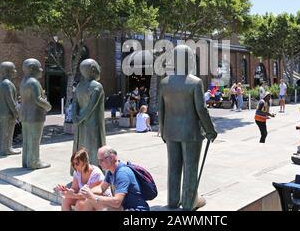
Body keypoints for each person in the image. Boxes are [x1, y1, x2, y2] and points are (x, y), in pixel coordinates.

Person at [158, 44, 217, 210]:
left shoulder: (164, 83)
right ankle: (190, 202)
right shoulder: (195, 82)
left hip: (170, 131)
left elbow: (160, 110)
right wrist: (210, 130)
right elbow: (201, 109)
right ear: (189, 60)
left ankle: (172, 200)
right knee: (190, 167)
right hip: (191, 132)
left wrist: (162, 131)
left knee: (173, 167)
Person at [78, 146, 150, 211]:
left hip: (136, 209)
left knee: (103, 208)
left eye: (101, 160)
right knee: (89, 201)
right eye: (98, 160)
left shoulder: (122, 173)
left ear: (112, 158)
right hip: (124, 207)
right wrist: (86, 192)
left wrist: (93, 197)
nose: (99, 163)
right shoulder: (111, 172)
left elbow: (117, 202)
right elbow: (101, 188)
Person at [71, 59, 107, 171]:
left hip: (80, 124)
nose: (100, 69)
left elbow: (74, 104)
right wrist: (80, 118)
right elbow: (91, 107)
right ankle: (94, 171)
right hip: (93, 124)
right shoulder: (97, 86)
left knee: (81, 146)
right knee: (93, 147)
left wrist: (75, 118)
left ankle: (79, 170)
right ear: (93, 69)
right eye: (98, 67)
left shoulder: (79, 86)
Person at [19, 58, 52, 170]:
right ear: (32, 68)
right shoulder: (33, 82)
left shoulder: (24, 81)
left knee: (27, 139)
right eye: (39, 68)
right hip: (35, 115)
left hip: (25, 115)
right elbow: (38, 99)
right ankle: (34, 162)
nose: (42, 70)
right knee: (34, 139)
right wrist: (48, 106)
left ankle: (26, 161)